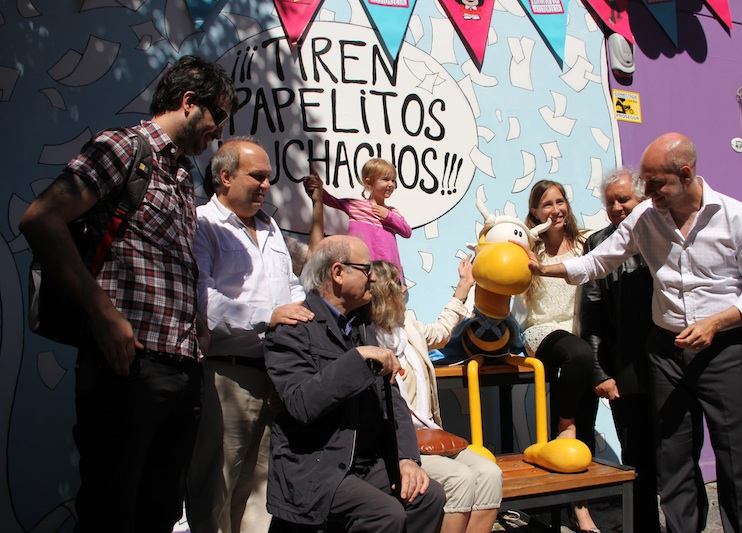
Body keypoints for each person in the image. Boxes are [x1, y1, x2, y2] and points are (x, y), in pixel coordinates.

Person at [18, 55, 237, 532]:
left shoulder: (182, 179)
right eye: (217, 116)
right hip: (128, 366)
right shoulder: (123, 147)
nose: (217, 133)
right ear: (188, 103)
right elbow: (41, 219)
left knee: (156, 514)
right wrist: (101, 312)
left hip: (179, 374)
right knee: (111, 510)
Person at [523, 133, 742, 533]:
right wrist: (543, 269)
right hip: (666, 352)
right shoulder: (646, 219)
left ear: (685, 174)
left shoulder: (737, 218)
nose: (647, 192)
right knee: (672, 462)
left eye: (654, 183)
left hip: (725, 350)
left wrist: (714, 323)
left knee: (735, 464)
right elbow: (597, 262)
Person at [264, 235, 446, 532]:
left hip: (362, 464)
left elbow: (393, 401)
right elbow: (302, 403)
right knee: (385, 514)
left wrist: (406, 459)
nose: (374, 277)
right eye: (366, 269)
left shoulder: (361, 326)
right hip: (317, 466)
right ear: (337, 273)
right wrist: (358, 358)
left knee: (427, 496)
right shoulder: (294, 329)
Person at [187, 138, 324, 533]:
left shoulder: (271, 229)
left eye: (269, 178)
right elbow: (202, 300)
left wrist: (304, 320)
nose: (266, 185)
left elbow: (293, 290)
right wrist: (270, 317)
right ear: (225, 176)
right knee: (216, 490)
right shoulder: (202, 223)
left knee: (261, 498)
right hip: (227, 377)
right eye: (258, 176)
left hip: (277, 378)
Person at [369, 259, 503, 533]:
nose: (406, 288)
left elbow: (441, 333)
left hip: (431, 437)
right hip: (399, 445)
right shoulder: (366, 338)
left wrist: (465, 285)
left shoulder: (408, 324)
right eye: (399, 283)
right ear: (386, 291)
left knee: (490, 473)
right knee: (459, 478)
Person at [510, 180, 600, 533]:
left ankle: (579, 505)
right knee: (577, 359)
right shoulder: (528, 249)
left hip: (578, 332)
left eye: (560, 202)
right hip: (544, 333)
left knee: (587, 418)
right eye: (546, 205)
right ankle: (565, 423)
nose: (555, 210)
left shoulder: (584, 245)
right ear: (535, 212)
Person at [578, 167, 659, 532]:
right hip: (626, 370)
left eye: (623, 199)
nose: (617, 207)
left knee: (677, 455)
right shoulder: (598, 244)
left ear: (641, 198)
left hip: (670, 362)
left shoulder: (664, 232)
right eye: (610, 202)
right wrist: (601, 372)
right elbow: (591, 313)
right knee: (637, 456)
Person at [321, 157, 412, 275]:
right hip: (363, 269)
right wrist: (316, 186)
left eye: (393, 180)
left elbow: (407, 232)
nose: (391, 184)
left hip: (388, 273)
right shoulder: (355, 206)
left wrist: (388, 216)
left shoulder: (392, 212)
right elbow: (330, 200)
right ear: (369, 183)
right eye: (385, 179)